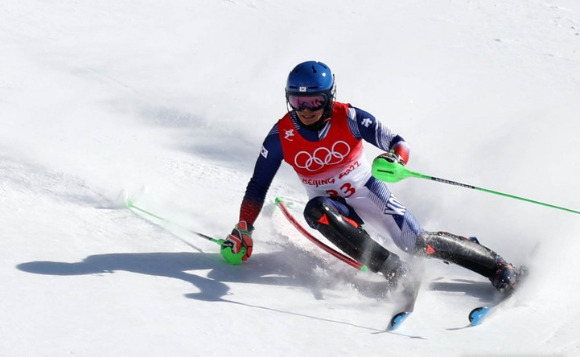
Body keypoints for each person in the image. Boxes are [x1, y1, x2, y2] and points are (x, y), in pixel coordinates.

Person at [221, 60, 522, 293]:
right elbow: (258, 184)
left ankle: (495, 265)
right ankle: (395, 271)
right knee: (316, 212)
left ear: (328, 98)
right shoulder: (280, 136)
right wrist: (244, 227)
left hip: (366, 191)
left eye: (314, 101)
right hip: (331, 204)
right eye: (298, 102)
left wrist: (395, 158)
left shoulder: (348, 117)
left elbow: (397, 141)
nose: (306, 109)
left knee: (417, 243)